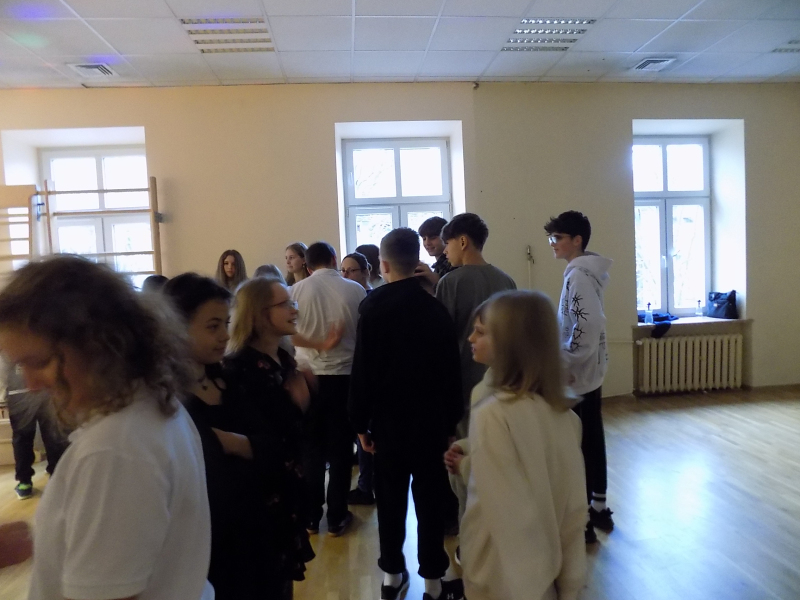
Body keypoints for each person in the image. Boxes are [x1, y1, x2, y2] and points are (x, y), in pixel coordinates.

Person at [0, 255, 213, 600]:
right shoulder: (152, 404)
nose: (31, 384)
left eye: (39, 362)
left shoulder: (114, 449)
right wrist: (44, 538)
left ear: (99, 345)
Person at [165, 273, 308, 600]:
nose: (224, 335)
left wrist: (233, 443)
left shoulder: (230, 379)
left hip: (259, 527)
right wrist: (248, 447)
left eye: (226, 324)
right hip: (210, 539)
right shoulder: (167, 400)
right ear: (174, 328)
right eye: (212, 326)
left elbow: (278, 448)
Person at [446, 291, 587, 600]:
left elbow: (512, 519)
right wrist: (570, 586)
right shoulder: (566, 417)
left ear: (509, 344)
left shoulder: (493, 414)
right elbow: (574, 514)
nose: (470, 337)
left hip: (502, 579)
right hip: (546, 577)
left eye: (480, 332)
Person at [350, 228, 464, 600]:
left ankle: (392, 576)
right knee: (430, 501)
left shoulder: (372, 308)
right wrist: (451, 423)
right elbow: (451, 372)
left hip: (387, 424)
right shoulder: (435, 309)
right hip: (430, 423)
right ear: (416, 262)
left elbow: (362, 371)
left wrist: (360, 424)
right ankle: (433, 582)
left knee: (390, 500)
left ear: (382, 265)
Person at [224, 277, 317, 596]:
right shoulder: (239, 368)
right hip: (261, 496)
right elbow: (260, 433)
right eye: (285, 304)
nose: (294, 310)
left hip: (286, 487)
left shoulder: (284, 359)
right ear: (260, 313)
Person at [436, 212, 516, 529]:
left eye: (447, 244)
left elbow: (443, 342)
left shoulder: (450, 283)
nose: (445, 251)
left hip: (463, 385)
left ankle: (470, 532)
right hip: (503, 383)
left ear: (463, 241)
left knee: (465, 463)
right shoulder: (506, 281)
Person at [545, 210, 614, 544]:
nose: (552, 244)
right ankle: (597, 507)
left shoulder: (579, 276)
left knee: (578, 445)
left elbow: (587, 323)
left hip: (579, 374)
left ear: (577, 240)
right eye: (552, 238)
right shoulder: (584, 272)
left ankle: (584, 518)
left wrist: (567, 361)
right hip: (589, 371)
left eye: (558, 238)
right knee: (591, 438)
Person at [291, 241, 365, 536]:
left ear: (307, 266)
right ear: (334, 259)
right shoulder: (355, 290)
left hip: (307, 377)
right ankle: (336, 516)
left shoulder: (295, 291)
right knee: (341, 450)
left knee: (311, 450)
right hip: (344, 376)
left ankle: (311, 517)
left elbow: (287, 335)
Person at [2, 358, 69, 500]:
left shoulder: (8, 349)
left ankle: (26, 482)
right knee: (51, 436)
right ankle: (53, 478)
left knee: (24, 439)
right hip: (41, 392)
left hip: (22, 393)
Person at [340, 251, 376, 505]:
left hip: (367, 371)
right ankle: (365, 483)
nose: (345, 275)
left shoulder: (372, 298)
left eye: (351, 270)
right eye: (342, 270)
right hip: (349, 367)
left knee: (367, 432)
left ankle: (366, 486)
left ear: (365, 272)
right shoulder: (345, 297)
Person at [415, 216, 456, 290]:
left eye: (432, 238)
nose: (427, 243)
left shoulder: (454, 264)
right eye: (424, 239)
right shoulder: (438, 266)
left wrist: (434, 278)